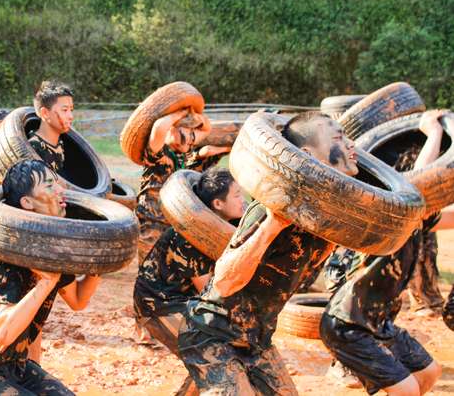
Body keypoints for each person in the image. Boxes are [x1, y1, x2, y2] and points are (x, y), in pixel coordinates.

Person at [178, 111, 359, 395]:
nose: (351, 145)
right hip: (213, 332)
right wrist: (272, 227)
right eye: (338, 138)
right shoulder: (271, 206)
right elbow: (224, 283)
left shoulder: (324, 215)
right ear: (306, 154)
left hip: (257, 338)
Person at [0, 159, 101, 394]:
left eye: (57, 183)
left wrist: (99, 261)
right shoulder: (8, 258)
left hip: (13, 366)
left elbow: (77, 301)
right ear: (27, 203)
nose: (60, 190)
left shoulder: (52, 250)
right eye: (49, 186)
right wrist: (45, 284)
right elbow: (3, 333)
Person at [320, 110, 448, 396]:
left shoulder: (419, 217)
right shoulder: (382, 211)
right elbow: (415, 188)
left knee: (429, 374)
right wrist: (435, 132)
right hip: (348, 323)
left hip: (379, 321)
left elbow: (446, 214)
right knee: (407, 390)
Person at [133, 166, 245, 396]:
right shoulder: (191, 237)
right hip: (158, 304)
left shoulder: (225, 225)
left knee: (217, 357)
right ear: (217, 205)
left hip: (185, 300)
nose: (243, 200)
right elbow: (210, 292)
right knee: (209, 357)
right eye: (237, 195)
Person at [134, 106, 227, 344]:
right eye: (188, 134)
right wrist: (179, 114)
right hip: (152, 223)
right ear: (174, 131)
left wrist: (194, 119)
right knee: (148, 274)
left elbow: (204, 131)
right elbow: (158, 128)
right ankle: (143, 330)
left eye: (194, 137)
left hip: (173, 224)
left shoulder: (184, 155)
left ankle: (168, 324)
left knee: (171, 276)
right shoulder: (157, 152)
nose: (193, 140)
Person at [28, 81, 74, 173]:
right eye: (64, 110)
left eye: (71, 110)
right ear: (45, 113)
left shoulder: (59, 142)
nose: (70, 116)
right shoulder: (33, 147)